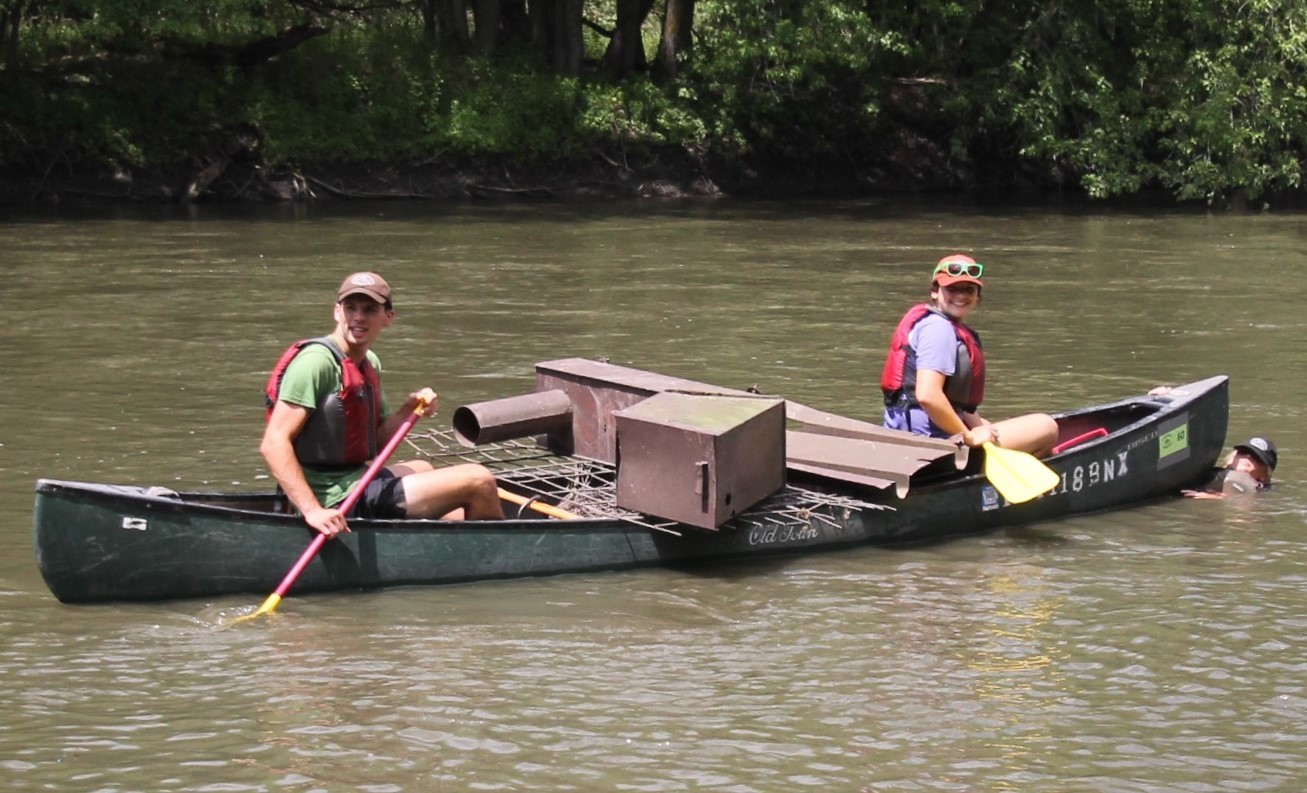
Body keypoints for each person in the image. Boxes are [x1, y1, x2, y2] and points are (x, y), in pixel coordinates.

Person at [261, 271, 504, 538]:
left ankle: (448, 539)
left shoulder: (369, 363)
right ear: (336, 312)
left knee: (422, 468)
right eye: (350, 308)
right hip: (333, 500)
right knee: (478, 480)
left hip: (353, 480)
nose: (358, 317)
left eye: (369, 309)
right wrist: (312, 510)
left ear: (388, 317)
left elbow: (376, 441)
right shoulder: (315, 363)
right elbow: (273, 443)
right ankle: (495, 554)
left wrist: (409, 410)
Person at [880, 254, 1058, 456]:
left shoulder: (936, 324)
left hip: (917, 431)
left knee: (989, 425)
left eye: (968, 289)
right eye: (952, 288)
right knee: (1046, 427)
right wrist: (969, 436)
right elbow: (928, 395)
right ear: (935, 292)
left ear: (977, 296)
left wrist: (977, 425)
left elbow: (957, 399)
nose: (961, 295)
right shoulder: (939, 329)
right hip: (930, 442)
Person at [1182, 436, 1278, 499]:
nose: (1248, 456)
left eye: (1256, 457)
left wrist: (1213, 497)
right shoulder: (1209, 473)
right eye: (1243, 452)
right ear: (1230, 460)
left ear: (1264, 475)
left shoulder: (1261, 490)